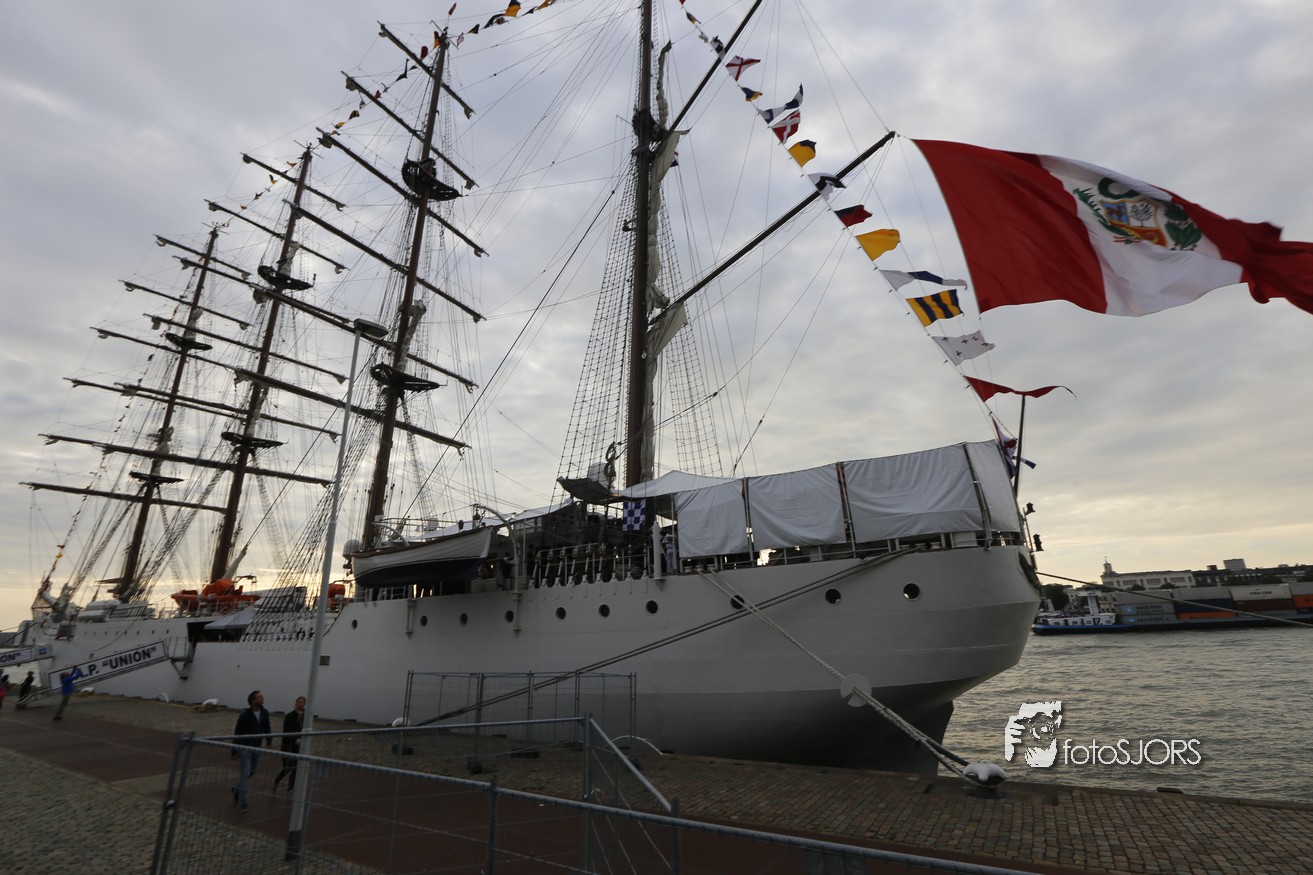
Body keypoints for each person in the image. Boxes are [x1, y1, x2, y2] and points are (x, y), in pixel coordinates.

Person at [231, 689, 273, 810]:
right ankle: (243, 801)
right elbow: (238, 732)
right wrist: (234, 751)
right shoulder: (245, 715)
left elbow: (267, 727)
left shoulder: (264, 712)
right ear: (253, 701)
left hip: (256, 746)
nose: (262, 699)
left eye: (262, 697)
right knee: (245, 773)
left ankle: (237, 788)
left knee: (252, 771)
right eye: (260, 697)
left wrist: (269, 740)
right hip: (244, 747)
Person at [272, 695, 306, 792]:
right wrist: (295, 739)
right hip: (288, 745)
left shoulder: (305, 717)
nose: (301, 704)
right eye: (299, 702)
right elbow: (286, 731)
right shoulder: (290, 716)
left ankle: (291, 787)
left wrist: (301, 739)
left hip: (297, 747)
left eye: (303, 702)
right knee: (287, 767)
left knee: (295, 767)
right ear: (296, 703)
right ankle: (277, 780)